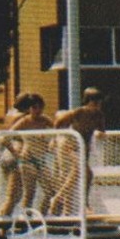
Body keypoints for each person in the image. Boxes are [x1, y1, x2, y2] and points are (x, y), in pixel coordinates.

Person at [50, 87, 107, 216]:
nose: (98, 105)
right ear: (89, 101)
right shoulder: (78, 112)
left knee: (78, 176)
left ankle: (64, 207)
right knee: (83, 172)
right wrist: (54, 139)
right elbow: (58, 123)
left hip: (84, 147)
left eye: (99, 102)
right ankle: (79, 204)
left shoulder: (99, 115)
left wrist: (99, 134)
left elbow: (102, 130)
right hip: (70, 144)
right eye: (96, 102)